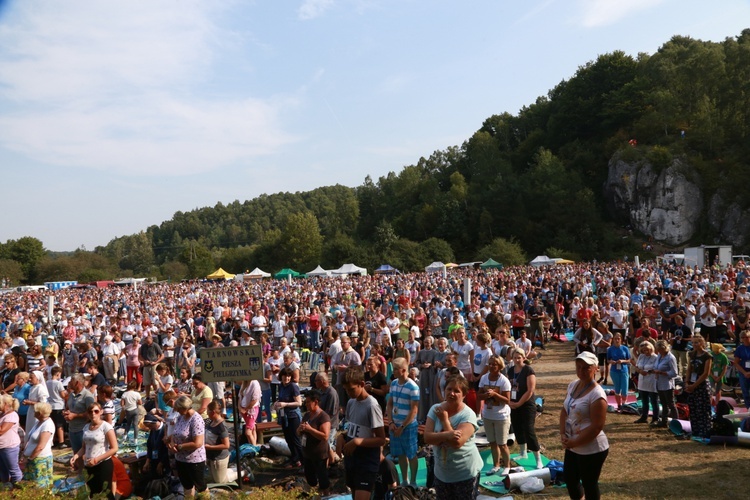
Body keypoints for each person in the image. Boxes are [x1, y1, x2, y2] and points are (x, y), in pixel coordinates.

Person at [424, 375, 484, 499]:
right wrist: (448, 434)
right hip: (442, 474)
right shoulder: (435, 409)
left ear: (464, 395)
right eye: (449, 389)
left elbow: (457, 443)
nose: (451, 393)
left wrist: (445, 421)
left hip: (465, 473)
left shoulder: (468, 415)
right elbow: (427, 438)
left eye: (457, 391)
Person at [559, 351, 609, 500]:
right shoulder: (573, 385)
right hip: (573, 444)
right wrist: (563, 434)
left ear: (595, 369)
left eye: (586, 368)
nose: (581, 371)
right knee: (570, 479)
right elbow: (564, 410)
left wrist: (575, 442)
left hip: (591, 448)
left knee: (589, 484)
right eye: (578, 367)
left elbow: (596, 427)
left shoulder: (597, 394)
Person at [336, 366, 386, 500]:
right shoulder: (351, 402)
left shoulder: (372, 405)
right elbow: (353, 429)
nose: (348, 393)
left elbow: (381, 439)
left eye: (351, 389)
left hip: (367, 460)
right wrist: (342, 436)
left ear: (362, 384)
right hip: (352, 459)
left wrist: (358, 442)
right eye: (346, 390)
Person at [70, 402, 118, 499]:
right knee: (93, 493)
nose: (93, 414)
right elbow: (84, 447)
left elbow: (114, 448)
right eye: (90, 411)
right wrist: (76, 456)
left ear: (101, 412)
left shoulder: (106, 427)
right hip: (89, 464)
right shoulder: (86, 427)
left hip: (103, 464)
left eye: (96, 411)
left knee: (105, 493)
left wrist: (97, 459)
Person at [386, 357, 419, 486]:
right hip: (395, 425)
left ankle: (414, 481)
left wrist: (403, 426)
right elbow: (389, 404)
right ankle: (405, 480)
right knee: (400, 454)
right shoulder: (394, 383)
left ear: (404, 370)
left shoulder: (413, 386)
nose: (393, 372)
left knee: (411, 454)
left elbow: (414, 410)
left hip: (408, 426)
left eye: (395, 369)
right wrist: (391, 422)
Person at [508, 349, 543, 469]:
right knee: (517, 427)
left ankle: (538, 458)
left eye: (519, 357)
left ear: (523, 357)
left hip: (527, 405)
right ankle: (523, 452)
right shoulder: (510, 370)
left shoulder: (528, 370)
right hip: (514, 404)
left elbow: (530, 390)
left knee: (529, 430)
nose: (517, 360)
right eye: (515, 357)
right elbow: (508, 387)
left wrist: (519, 403)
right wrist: (510, 402)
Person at [478, 355, 511, 476]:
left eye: (494, 364)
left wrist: (495, 395)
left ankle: (507, 466)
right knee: (492, 442)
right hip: (487, 415)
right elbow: (479, 395)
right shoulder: (484, 378)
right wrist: (485, 395)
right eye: (490, 364)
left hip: (501, 416)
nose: (491, 366)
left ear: (500, 366)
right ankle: (496, 465)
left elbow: (507, 400)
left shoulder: (504, 381)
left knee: (502, 444)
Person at [168, 395, 207, 496]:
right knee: (187, 485)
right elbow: (175, 432)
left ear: (184, 408)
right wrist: (172, 444)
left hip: (194, 459)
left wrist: (180, 447)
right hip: (181, 458)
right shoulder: (180, 417)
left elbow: (198, 443)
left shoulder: (196, 419)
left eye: (179, 409)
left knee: (200, 485)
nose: (177, 411)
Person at [298, 389, 331, 496]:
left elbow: (325, 436)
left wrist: (310, 429)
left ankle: (326, 496)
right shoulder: (307, 415)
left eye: (308, 402)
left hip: (319, 455)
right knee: (310, 478)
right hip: (307, 454)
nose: (306, 404)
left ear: (315, 402)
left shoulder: (323, 417)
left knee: (323, 481)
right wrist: (300, 429)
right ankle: (315, 495)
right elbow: (298, 431)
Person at [684, 334, 712, 440]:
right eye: (693, 342)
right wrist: (687, 382)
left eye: (696, 342)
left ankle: (705, 431)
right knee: (693, 408)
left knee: (703, 409)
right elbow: (689, 369)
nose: (694, 344)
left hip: (702, 384)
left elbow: (706, 373)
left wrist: (694, 385)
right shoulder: (691, 354)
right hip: (691, 383)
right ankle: (695, 431)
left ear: (702, 343)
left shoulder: (707, 356)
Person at [21, 402, 55, 487]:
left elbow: (40, 446)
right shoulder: (38, 422)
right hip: (32, 458)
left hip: (40, 459)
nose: (33, 413)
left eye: (35, 411)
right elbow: (30, 440)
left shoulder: (47, 425)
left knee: (40, 484)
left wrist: (30, 458)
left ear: (39, 413)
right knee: (30, 484)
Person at [274, 367, 303, 468]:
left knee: (295, 438)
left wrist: (285, 404)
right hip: (283, 415)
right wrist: (277, 403)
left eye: (289, 376)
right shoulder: (281, 386)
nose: (287, 378)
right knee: (288, 438)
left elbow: (299, 403)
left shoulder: (293, 387)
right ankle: (295, 458)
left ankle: (302, 460)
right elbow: (280, 398)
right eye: (285, 376)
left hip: (293, 415)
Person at [64, 373, 96, 453]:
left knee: (85, 453)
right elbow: (68, 407)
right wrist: (66, 412)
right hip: (72, 429)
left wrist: (75, 415)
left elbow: (91, 414)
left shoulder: (87, 396)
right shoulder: (71, 394)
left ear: (77, 383)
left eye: (71, 381)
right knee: (76, 453)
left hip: (83, 430)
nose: (69, 383)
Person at [653, 340, 678, 427]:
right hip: (659, 382)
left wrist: (663, 373)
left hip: (667, 384)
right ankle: (664, 422)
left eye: (660, 349)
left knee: (671, 404)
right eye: (658, 350)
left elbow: (675, 373)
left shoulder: (671, 358)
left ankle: (677, 422)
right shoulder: (659, 356)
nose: (659, 351)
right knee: (663, 404)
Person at [205, 400, 230, 483]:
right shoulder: (211, 422)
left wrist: (210, 447)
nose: (206, 413)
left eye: (208, 411)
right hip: (210, 456)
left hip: (219, 458)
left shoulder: (221, 426)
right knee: (213, 479)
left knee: (220, 481)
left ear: (213, 412)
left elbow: (226, 445)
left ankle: (243, 472)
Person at [633, 342, 658, 424]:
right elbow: (636, 367)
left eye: (647, 350)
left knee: (654, 401)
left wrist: (648, 371)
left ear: (651, 349)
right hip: (642, 381)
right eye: (644, 350)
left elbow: (656, 369)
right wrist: (640, 371)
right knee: (644, 401)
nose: (646, 352)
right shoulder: (641, 356)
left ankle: (655, 418)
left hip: (651, 381)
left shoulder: (655, 357)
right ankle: (644, 417)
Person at [0, 393, 23, 484]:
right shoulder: (2, 414)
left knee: (13, 469)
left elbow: (1, 431)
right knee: (2, 469)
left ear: (6, 404)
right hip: (2, 446)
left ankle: (20, 489)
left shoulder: (12, 415)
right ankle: (6, 487)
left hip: (9, 447)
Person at [606, 333, 630, 412]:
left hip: (624, 370)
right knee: (617, 388)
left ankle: (624, 404)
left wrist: (622, 361)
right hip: (614, 371)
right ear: (613, 339)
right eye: (615, 339)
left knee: (625, 389)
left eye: (618, 339)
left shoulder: (625, 348)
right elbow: (608, 360)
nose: (617, 340)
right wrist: (611, 361)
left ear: (621, 340)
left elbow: (629, 360)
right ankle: (619, 405)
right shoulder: (610, 349)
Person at [46, 366, 68, 448]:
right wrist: (66, 392)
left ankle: (54, 440)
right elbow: (62, 395)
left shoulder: (47, 382)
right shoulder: (58, 383)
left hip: (50, 405)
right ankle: (61, 442)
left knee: (53, 423)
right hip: (58, 405)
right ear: (58, 374)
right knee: (60, 425)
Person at [240, 378, 261, 445]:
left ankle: (254, 448)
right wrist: (239, 407)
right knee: (252, 429)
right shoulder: (244, 382)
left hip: (251, 410)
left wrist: (245, 409)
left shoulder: (255, 383)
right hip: (243, 409)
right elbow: (239, 396)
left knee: (248, 432)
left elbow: (255, 399)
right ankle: (251, 445)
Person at [733, 330, 750, 409]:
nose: (745, 339)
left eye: (747, 337)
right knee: (745, 392)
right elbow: (736, 362)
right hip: (743, 373)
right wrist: (744, 372)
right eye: (743, 337)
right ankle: (748, 408)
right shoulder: (740, 348)